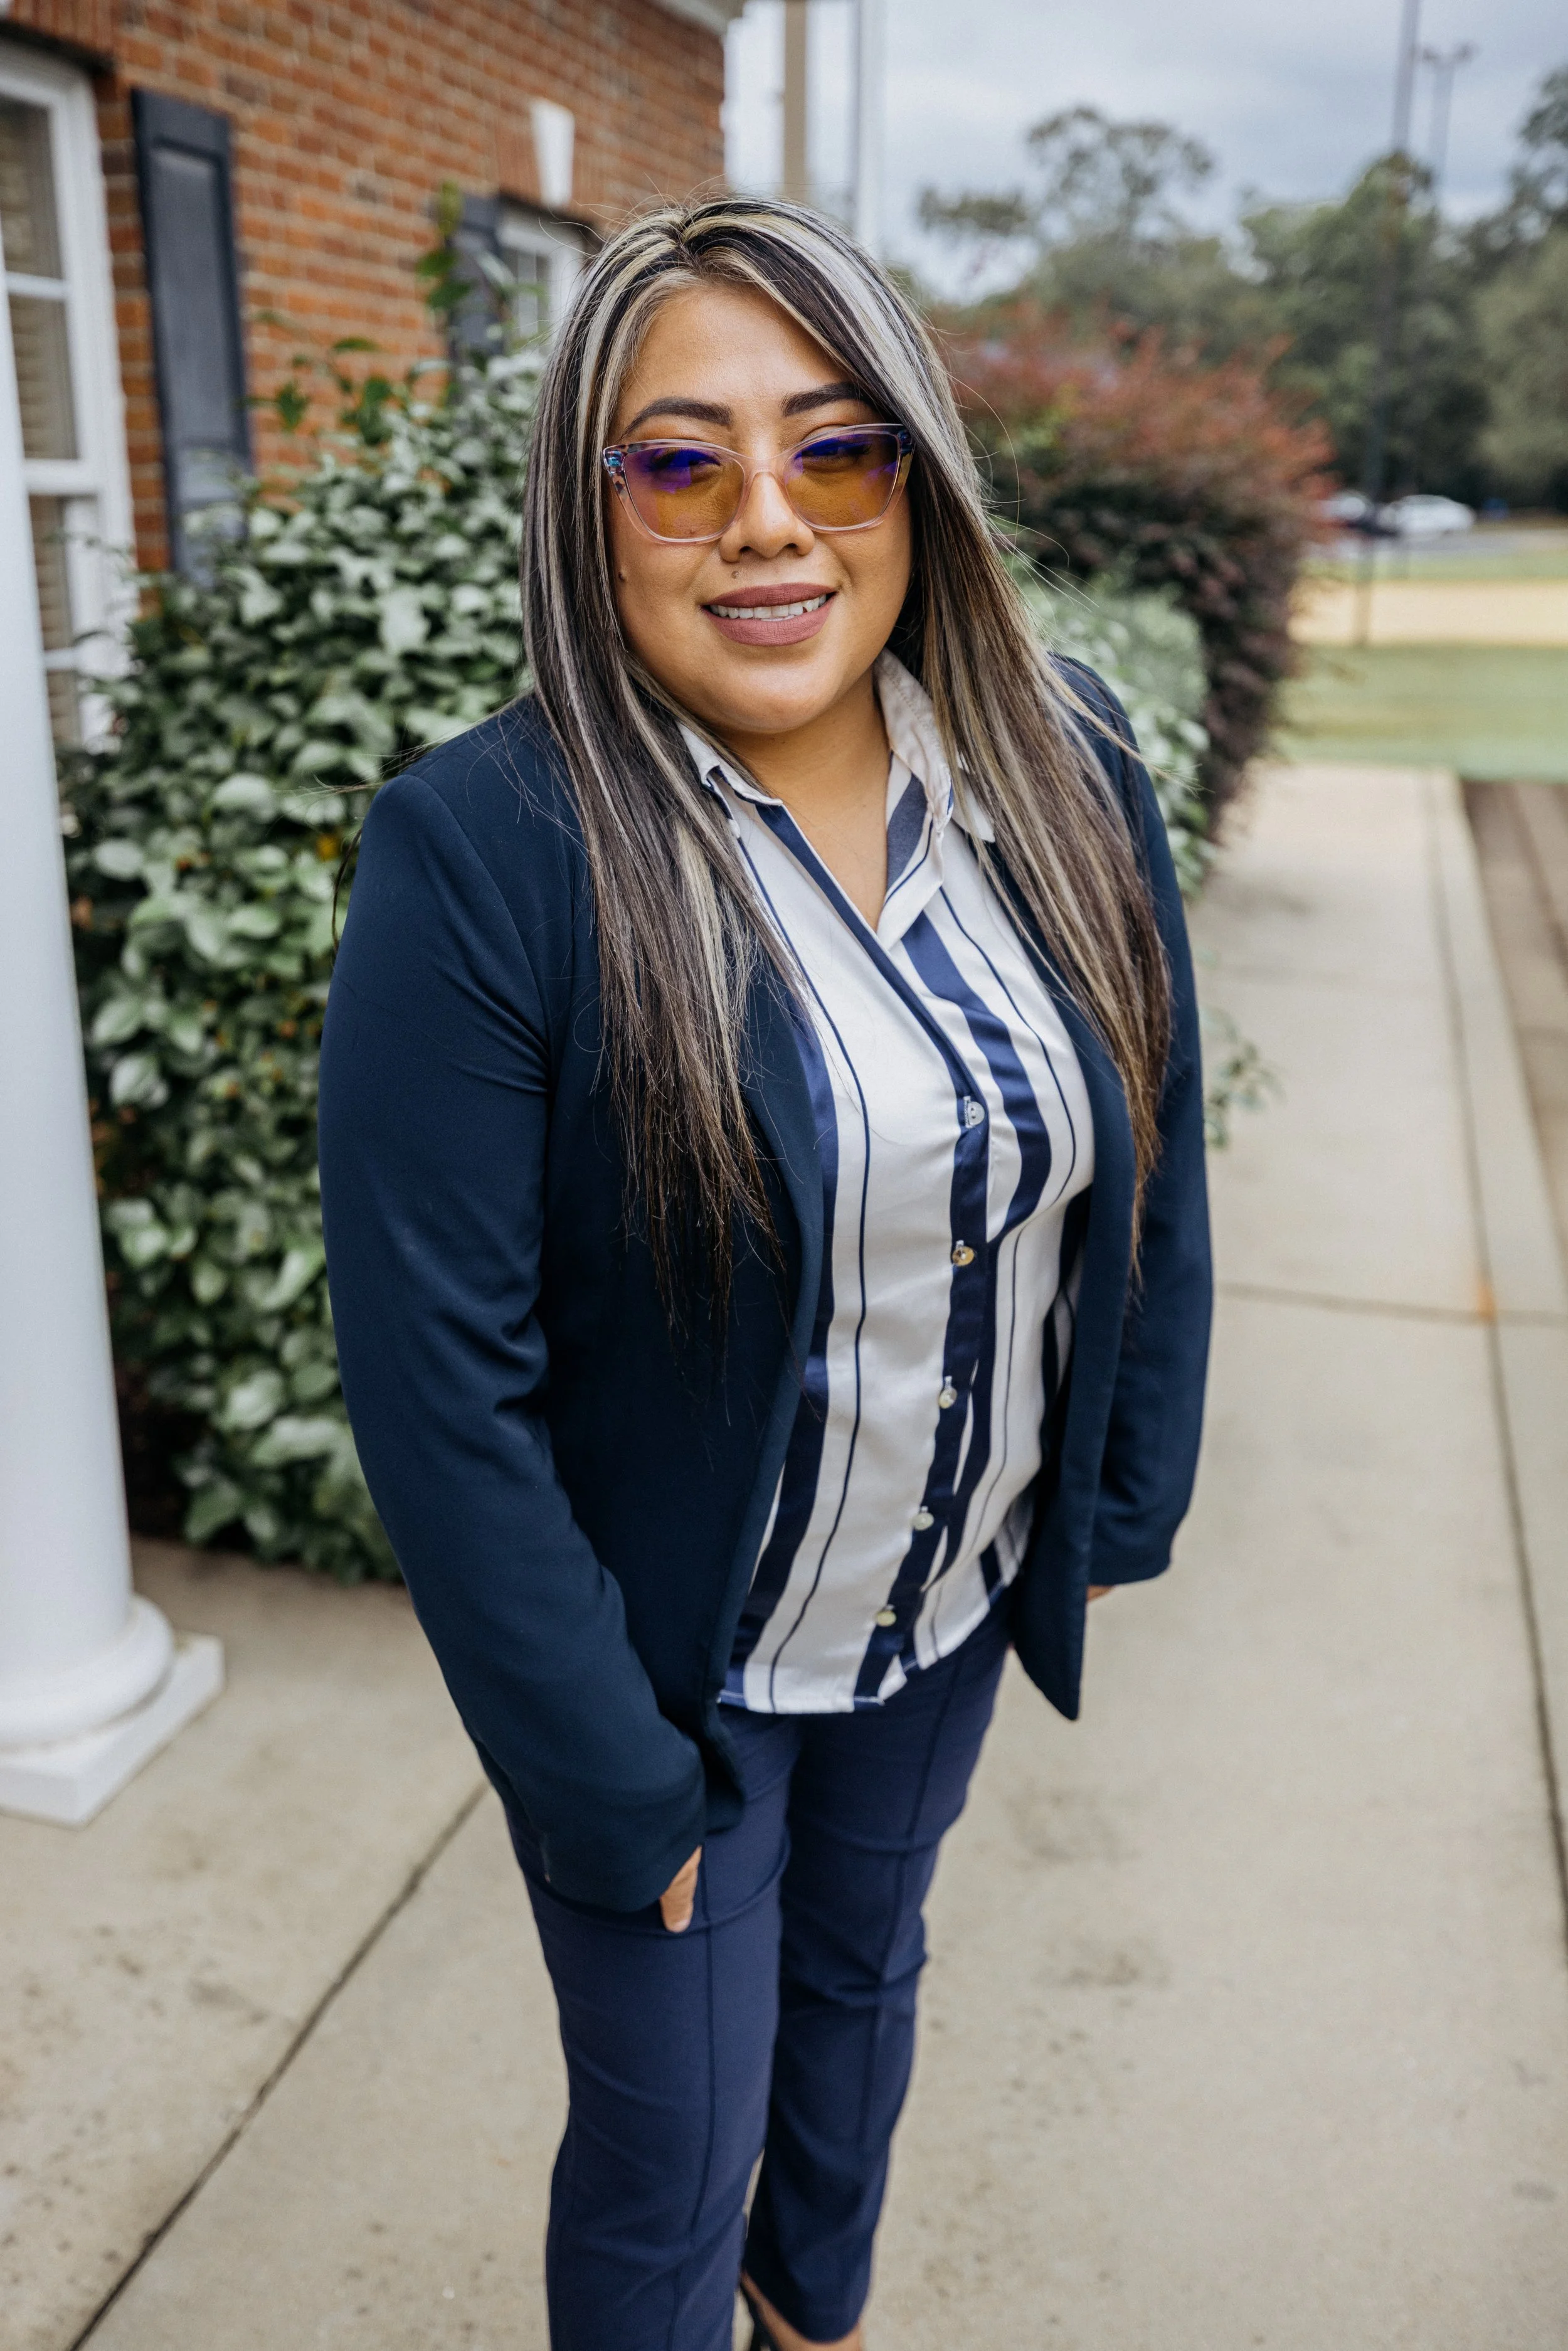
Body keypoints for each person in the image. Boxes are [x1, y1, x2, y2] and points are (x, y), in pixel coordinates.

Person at [318, 196, 1211, 2351]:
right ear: (588, 507)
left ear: (913, 476)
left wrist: (1110, 1508)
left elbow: (1154, 1154)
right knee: (665, 2158)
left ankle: (816, 2318)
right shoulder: (494, 850)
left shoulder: (1061, 759)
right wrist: (611, 1773)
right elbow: (446, 1388)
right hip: (678, 1688)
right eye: (677, 459)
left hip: (945, 1618)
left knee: (856, 2023)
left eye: (833, 448)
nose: (766, 522)